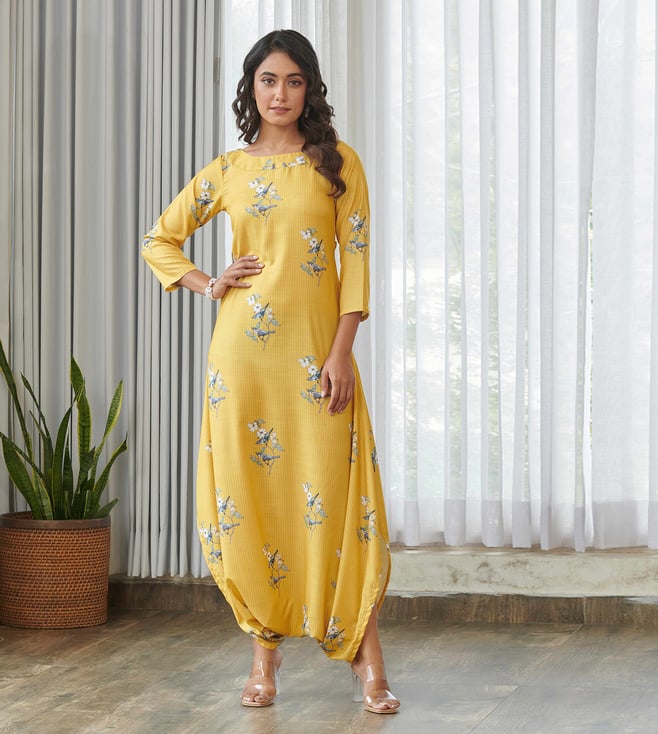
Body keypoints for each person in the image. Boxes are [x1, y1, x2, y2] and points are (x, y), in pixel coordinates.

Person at [142, 29, 400, 715]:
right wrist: (209, 282)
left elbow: (357, 262)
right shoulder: (229, 169)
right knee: (253, 498)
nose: (279, 93)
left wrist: (341, 352)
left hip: (316, 357)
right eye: (267, 80)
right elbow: (159, 238)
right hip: (242, 362)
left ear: (309, 89)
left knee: (334, 498)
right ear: (250, 89)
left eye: (292, 80)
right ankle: (264, 653)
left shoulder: (338, 163)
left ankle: (365, 654)